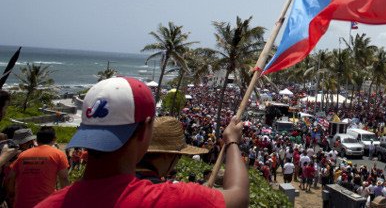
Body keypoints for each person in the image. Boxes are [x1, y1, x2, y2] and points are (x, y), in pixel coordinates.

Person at [37, 76, 249, 208]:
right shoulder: (171, 199)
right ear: (146, 129)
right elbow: (238, 196)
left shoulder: (48, 204)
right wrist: (232, 142)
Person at [7, 127, 69, 208]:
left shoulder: (23, 155)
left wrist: (12, 194)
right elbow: (64, 178)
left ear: (37, 139)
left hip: (21, 203)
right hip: (45, 204)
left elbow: (11, 177)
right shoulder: (59, 154)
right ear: (54, 139)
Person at [135, 117, 208, 183]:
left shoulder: (127, 175)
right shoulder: (158, 190)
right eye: (179, 156)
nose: (177, 162)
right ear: (168, 155)